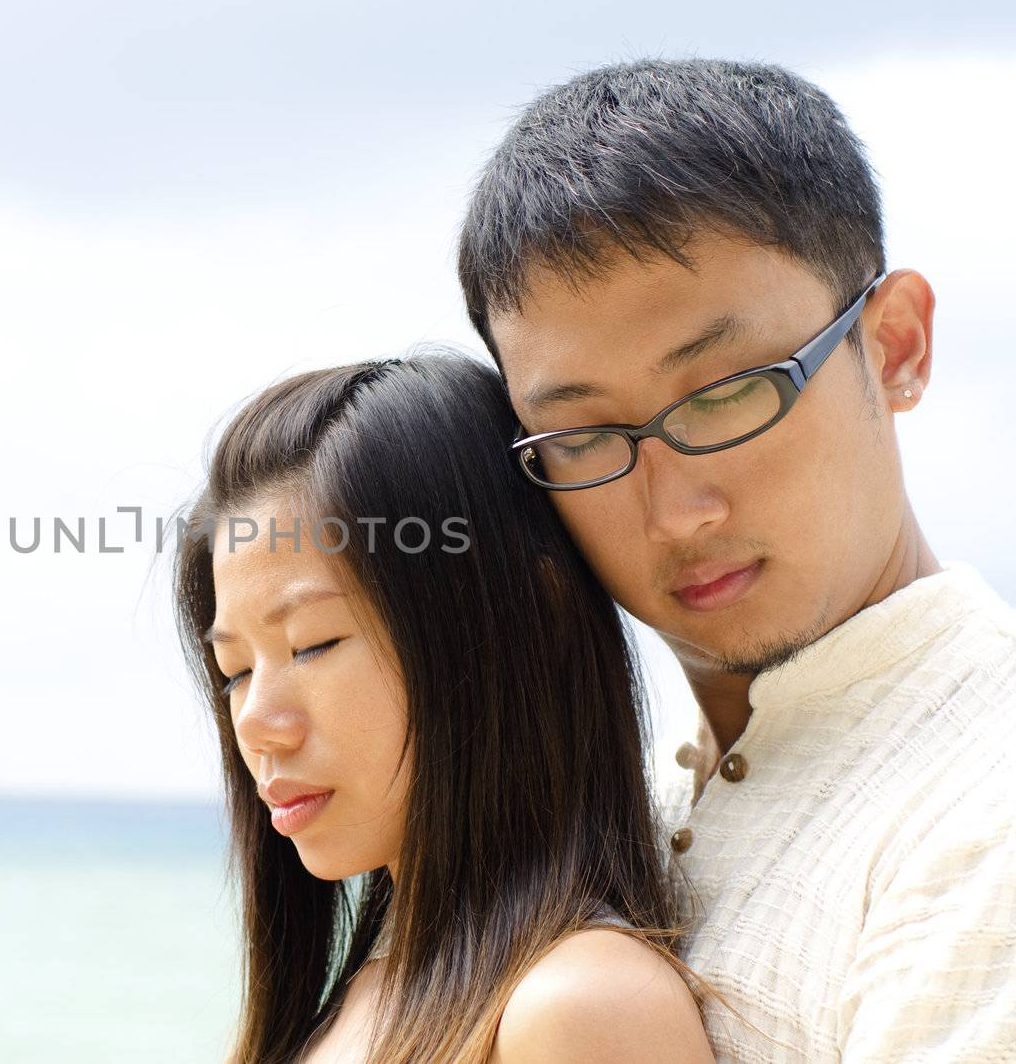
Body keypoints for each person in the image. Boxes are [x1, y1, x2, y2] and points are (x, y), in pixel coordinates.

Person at [457, 58, 1016, 1061]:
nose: (675, 511)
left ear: (892, 345)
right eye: (584, 437)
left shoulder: (998, 801)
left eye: (726, 393)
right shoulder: (617, 810)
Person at [173, 353, 715, 1063]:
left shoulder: (581, 1008)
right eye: (236, 670)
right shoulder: (364, 999)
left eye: (313, 643)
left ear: (527, 616)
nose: (256, 722)